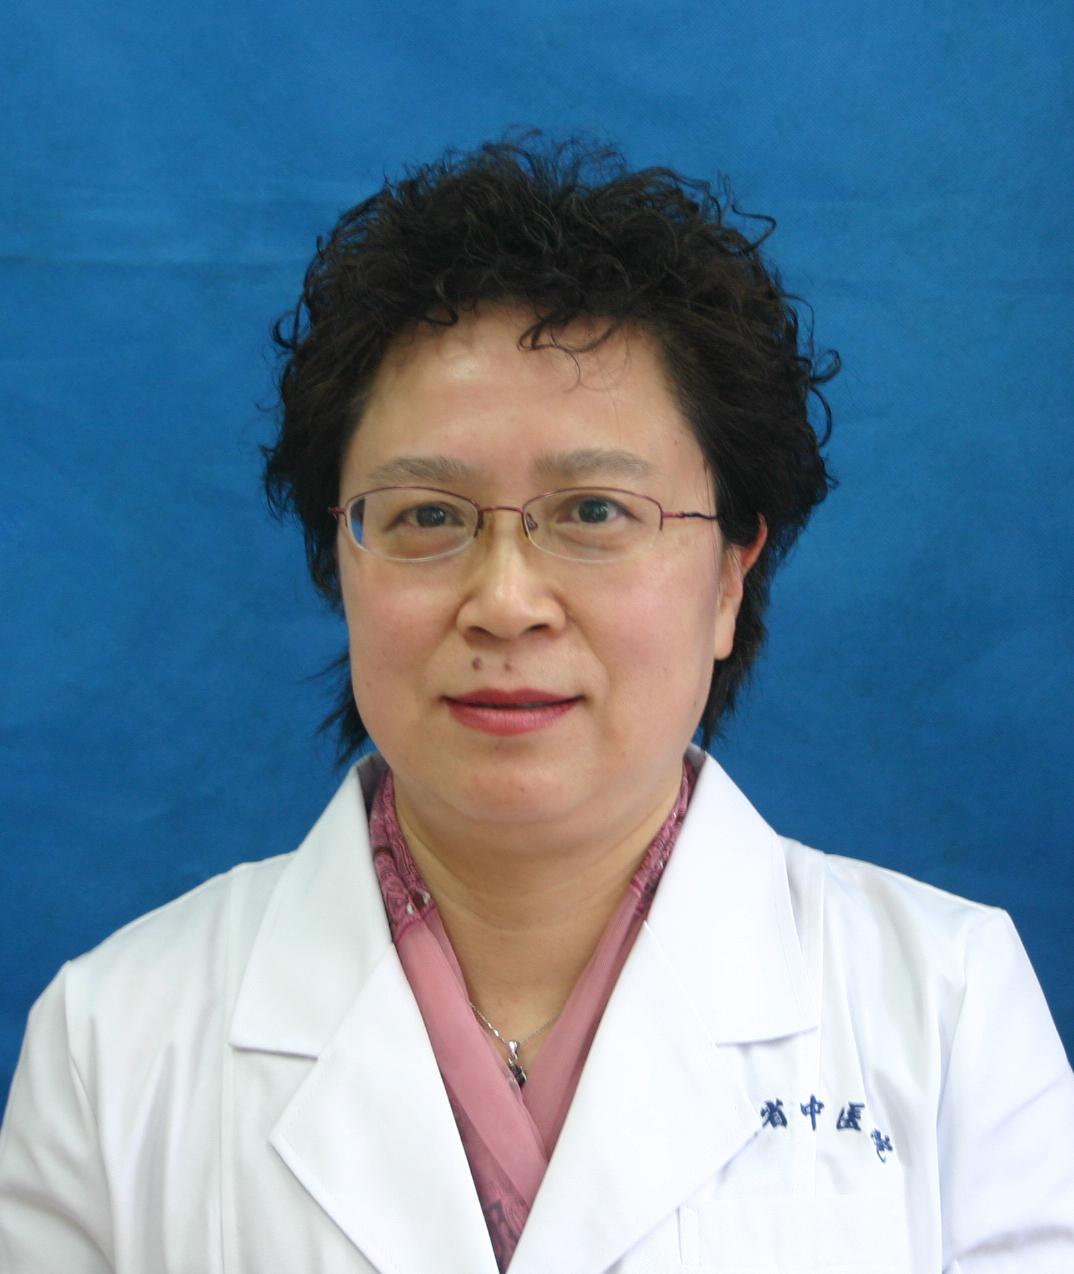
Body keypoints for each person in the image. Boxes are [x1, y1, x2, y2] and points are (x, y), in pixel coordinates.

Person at [1, 138, 1071, 1273]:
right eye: (426, 515)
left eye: (596, 511)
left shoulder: (947, 1009)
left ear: (729, 576)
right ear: (341, 560)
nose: (506, 603)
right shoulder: (115, 1039)